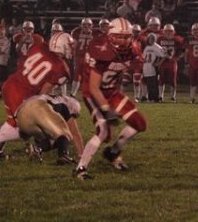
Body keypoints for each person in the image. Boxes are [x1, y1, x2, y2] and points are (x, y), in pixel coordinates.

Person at [74, 18, 147, 179]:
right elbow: (94, 87)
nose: (124, 40)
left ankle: (113, 153)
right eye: (119, 37)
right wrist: (107, 110)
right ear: (110, 35)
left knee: (140, 124)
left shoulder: (133, 49)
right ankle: (81, 168)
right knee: (103, 132)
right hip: (93, 93)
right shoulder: (101, 49)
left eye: (127, 36)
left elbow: (136, 65)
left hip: (112, 92)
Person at [0, 31, 72, 158]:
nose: (71, 48)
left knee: (12, 122)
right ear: (62, 46)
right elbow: (44, 92)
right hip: (21, 94)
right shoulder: (60, 67)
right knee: (20, 129)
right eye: (69, 45)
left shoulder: (39, 46)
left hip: (10, 84)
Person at [16, 94, 84, 164]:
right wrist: (82, 155)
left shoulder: (49, 98)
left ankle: (37, 148)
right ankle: (64, 154)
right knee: (66, 133)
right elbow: (75, 133)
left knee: (52, 137)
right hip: (39, 108)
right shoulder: (63, 106)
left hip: (21, 114)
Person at [157, 24, 185, 102]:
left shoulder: (178, 40)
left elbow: (183, 50)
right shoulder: (159, 39)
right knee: (161, 79)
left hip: (172, 62)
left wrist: (178, 57)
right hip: (162, 62)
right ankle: (160, 96)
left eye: (170, 31)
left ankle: (173, 96)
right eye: (166, 31)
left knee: (173, 79)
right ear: (163, 32)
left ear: (174, 32)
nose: (168, 33)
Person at [70, 18, 98, 96]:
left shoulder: (96, 33)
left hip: (90, 57)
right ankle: (73, 94)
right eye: (84, 25)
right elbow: (74, 45)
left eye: (88, 25)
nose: (86, 26)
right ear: (81, 25)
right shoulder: (76, 32)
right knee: (77, 75)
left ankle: (90, 93)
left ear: (92, 26)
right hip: (79, 56)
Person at [141, 33, 166, 102]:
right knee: (149, 83)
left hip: (152, 67)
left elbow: (164, 55)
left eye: (152, 39)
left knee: (154, 83)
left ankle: (155, 97)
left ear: (155, 39)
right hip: (146, 66)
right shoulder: (147, 47)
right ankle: (150, 97)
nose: (151, 40)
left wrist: (158, 63)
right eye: (150, 39)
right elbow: (143, 58)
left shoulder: (156, 47)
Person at [0, 25, 10, 98]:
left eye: (2, 30)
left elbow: (2, 52)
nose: (1, 31)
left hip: (2, 63)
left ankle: (2, 94)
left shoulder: (6, 41)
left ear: (5, 31)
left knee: (2, 80)